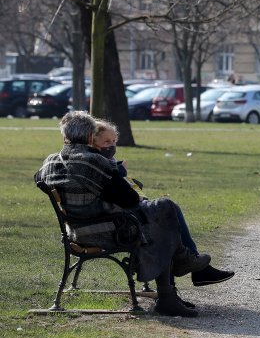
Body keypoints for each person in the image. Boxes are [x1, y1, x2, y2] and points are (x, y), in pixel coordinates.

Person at [36, 111, 216, 317]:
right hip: (106, 230)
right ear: (89, 137)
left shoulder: (49, 162)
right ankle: (170, 291)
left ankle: (177, 277)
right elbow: (129, 200)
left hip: (75, 231)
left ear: (65, 136)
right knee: (164, 211)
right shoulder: (92, 160)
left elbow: (39, 180)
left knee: (160, 211)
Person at [92, 120, 235, 288]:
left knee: (169, 211)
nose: (112, 145)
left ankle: (195, 271)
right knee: (168, 212)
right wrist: (121, 171)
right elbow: (123, 195)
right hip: (121, 222)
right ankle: (192, 271)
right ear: (93, 143)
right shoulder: (98, 163)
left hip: (119, 217)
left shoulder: (97, 161)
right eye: (107, 142)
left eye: (114, 141)